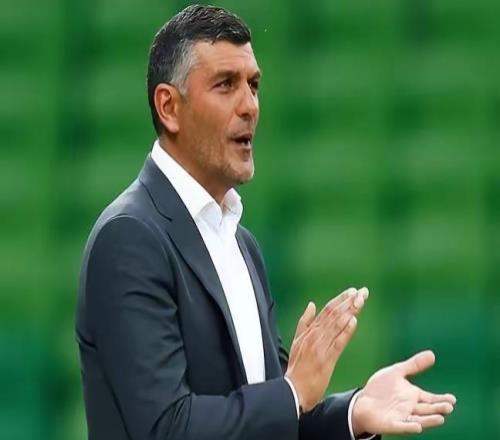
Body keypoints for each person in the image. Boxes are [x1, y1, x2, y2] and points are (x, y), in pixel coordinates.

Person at [76, 5, 456, 440]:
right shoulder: (129, 237)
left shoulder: (241, 245)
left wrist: (354, 412)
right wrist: (293, 392)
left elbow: (270, 422)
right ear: (169, 107)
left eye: (253, 85)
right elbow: (167, 428)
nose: (250, 106)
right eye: (226, 84)